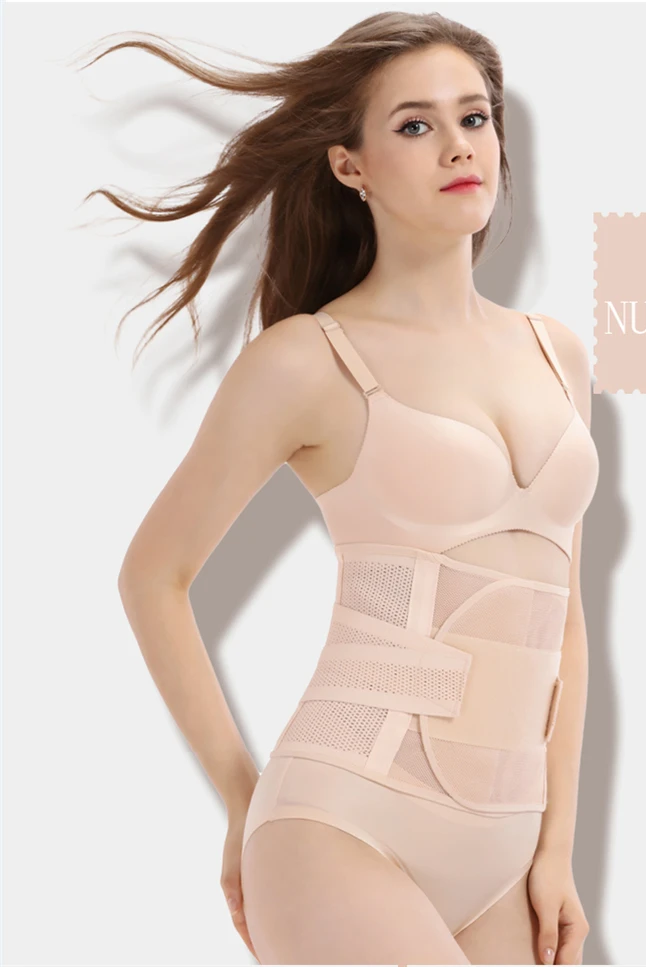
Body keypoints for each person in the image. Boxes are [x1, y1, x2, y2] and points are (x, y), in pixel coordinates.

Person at [100, 12, 597, 965]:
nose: (459, 146)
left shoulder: (556, 353)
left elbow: (564, 617)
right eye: (415, 125)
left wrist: (556, 846)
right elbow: (153, 575)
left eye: (475, 117)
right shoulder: (310, 361)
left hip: (510, 848)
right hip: (342, 822)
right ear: (350, 166)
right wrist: (243, 797)